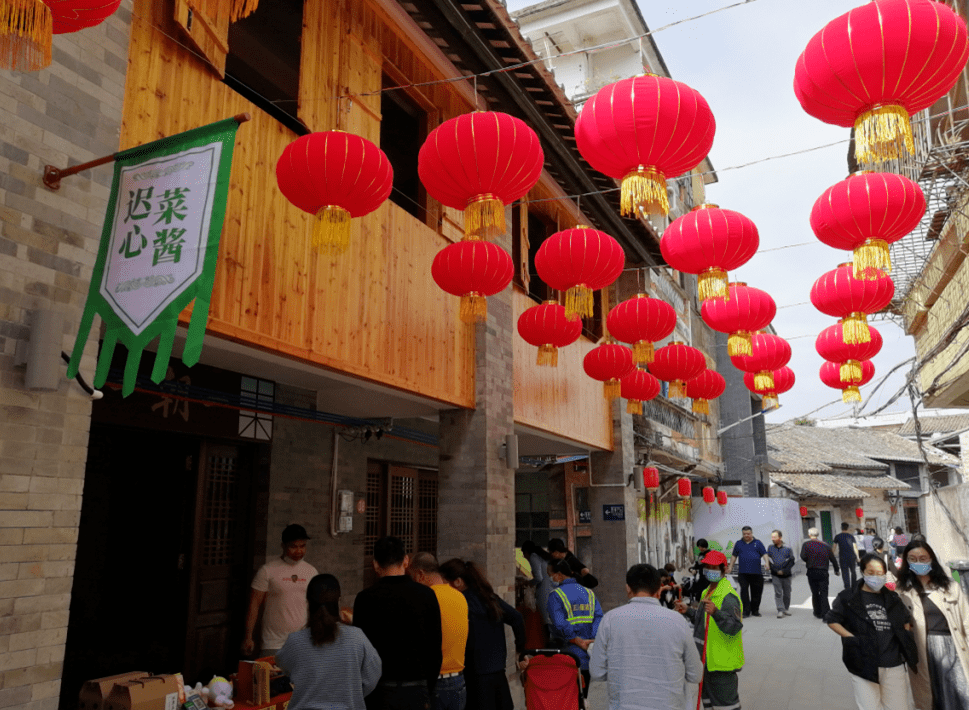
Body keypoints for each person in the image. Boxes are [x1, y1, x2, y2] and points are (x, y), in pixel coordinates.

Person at [590, 563, 702, 710]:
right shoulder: (678, 621)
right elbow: (696, 674)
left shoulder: (609, 620)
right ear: (658, 590)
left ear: (628, 588)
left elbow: (597, 672)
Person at [354, 536, 443, 710]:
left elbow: (360, 651)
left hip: (378, 690)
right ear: (406, 561)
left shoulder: (365, 599)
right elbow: (435, 649)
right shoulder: (426, 595)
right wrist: (427, 686)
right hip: (417, 687)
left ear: (375, 564)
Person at [824, 554, 918, 710]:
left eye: (880, 573)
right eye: (871, 572)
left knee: (899, 707)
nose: (876, 577)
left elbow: (906, 620)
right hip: (863, 662)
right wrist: (852, 638)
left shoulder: (893, 598)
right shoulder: (848, 597)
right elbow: (832, 620)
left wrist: (903, 638)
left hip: (893, 663)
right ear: (862, 572)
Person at [276, 574, 382, 710]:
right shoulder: (357, 638)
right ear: (338, 601)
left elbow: (284, 666)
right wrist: (352, 694)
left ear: (308, 603)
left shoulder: (295, 641)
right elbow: (373, 676)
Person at [440, 558, 525, 710]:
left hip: (475, 675)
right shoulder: (489, 598)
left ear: (458, 582)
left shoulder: (461, 602)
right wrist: (520, 650)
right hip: (498, 672)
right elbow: (517, 618)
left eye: (445, 583)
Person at [895, 539, 969, 710]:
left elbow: (966, 620)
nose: (918, 563)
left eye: (923, 558)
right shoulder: (904, 592)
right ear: (906, 562)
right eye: (912, 559)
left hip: (953, 646)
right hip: (922, 650)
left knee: (960, 692)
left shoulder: (951, 587)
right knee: (931, 697)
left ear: (931, 559)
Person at [675, 550, 744, 710]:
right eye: (707, 567)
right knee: (709, 704)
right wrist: (688, 611)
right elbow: (703, 621)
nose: (709, 571)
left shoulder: (728, 596)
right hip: (705, 662)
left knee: (727, 706)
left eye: (714, 568)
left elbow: (734, 627)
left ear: (723, 570)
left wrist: (716, 613)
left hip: (721, 666)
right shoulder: (708, 591)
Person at [244, 523, 319, 656]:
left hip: (302, 642)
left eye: (302, 546)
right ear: (283, 546)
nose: (299, 551)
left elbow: (315, 606)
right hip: (273, 643)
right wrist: (248, 636)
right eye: (293, 547)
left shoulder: (311, 572)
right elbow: (254, 604)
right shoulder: (267, 571)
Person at [409, 553, 470, 710]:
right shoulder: (460, 597)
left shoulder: (424, 599)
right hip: (459, 681)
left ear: (420, 574)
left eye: (411, 577)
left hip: (434, 681)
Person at [546, 559, 603, 696]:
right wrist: (592, 640)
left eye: (551, 574)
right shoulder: (589, 593)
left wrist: (576, 640)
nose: (551, 578)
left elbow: (560, 624)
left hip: (568, 654)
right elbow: (599, 617)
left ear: (559, 575)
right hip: (589, 653)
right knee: (585, 696)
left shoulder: (556, 596)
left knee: (569, 698)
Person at [728, 526, 769, 618]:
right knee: (744, 592)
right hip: (743, 573)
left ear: (752, 533)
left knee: (757, 592)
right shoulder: (738, 543)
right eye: (744, 534)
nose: (746, 535)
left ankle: (755, 610)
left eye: (748, 534)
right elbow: (734, 556)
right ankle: (746, 611)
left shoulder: (758, 543)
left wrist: (767, 563)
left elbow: (764, 554)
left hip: (756, 572)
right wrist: (730, 566)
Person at [801, 527, 840, 619]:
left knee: (814, 592)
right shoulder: (826, 545)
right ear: (818, 535)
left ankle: (817, 612)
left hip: (812, 571)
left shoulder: (806, 544)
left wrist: (809, 561)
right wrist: (836, 569)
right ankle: (825, 613)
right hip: (823, 571)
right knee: (824, 592)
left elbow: (803, 556)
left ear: (809, 535)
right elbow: (833, 559)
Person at [521, 541, 553, 631]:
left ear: (526, 552)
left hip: (544, 590)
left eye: (524, 554)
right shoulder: (542, 557)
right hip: (550, 588)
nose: (524, 557)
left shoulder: (533, 557)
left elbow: (539, 578)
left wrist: (528, 583)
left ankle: (550, 640)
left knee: (546, 619)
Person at [767, 530, 795, 619]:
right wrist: (776, 571)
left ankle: (786, 608)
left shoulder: (788, 548)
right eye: (772, 537)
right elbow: (769, 561)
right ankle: (780, 610)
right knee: (778, 593)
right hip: (775, 575)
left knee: (787, 593)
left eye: (774, 537)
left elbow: (791, 561)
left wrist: (784, 571)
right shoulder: (770, 548)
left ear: (780, 537)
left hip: (786, 575)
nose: (773, 539)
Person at [835, 522, 861, 591]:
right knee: (853, 571)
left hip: (842, 557)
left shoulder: (837, 536)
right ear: (848, 528)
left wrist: (831, 555)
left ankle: (847, 587)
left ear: (841, 528)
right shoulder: (851, 536)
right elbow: (855, 547)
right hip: (852, 556)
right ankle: (854, 585)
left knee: (844, 572)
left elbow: (834, 547)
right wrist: (858, 557)